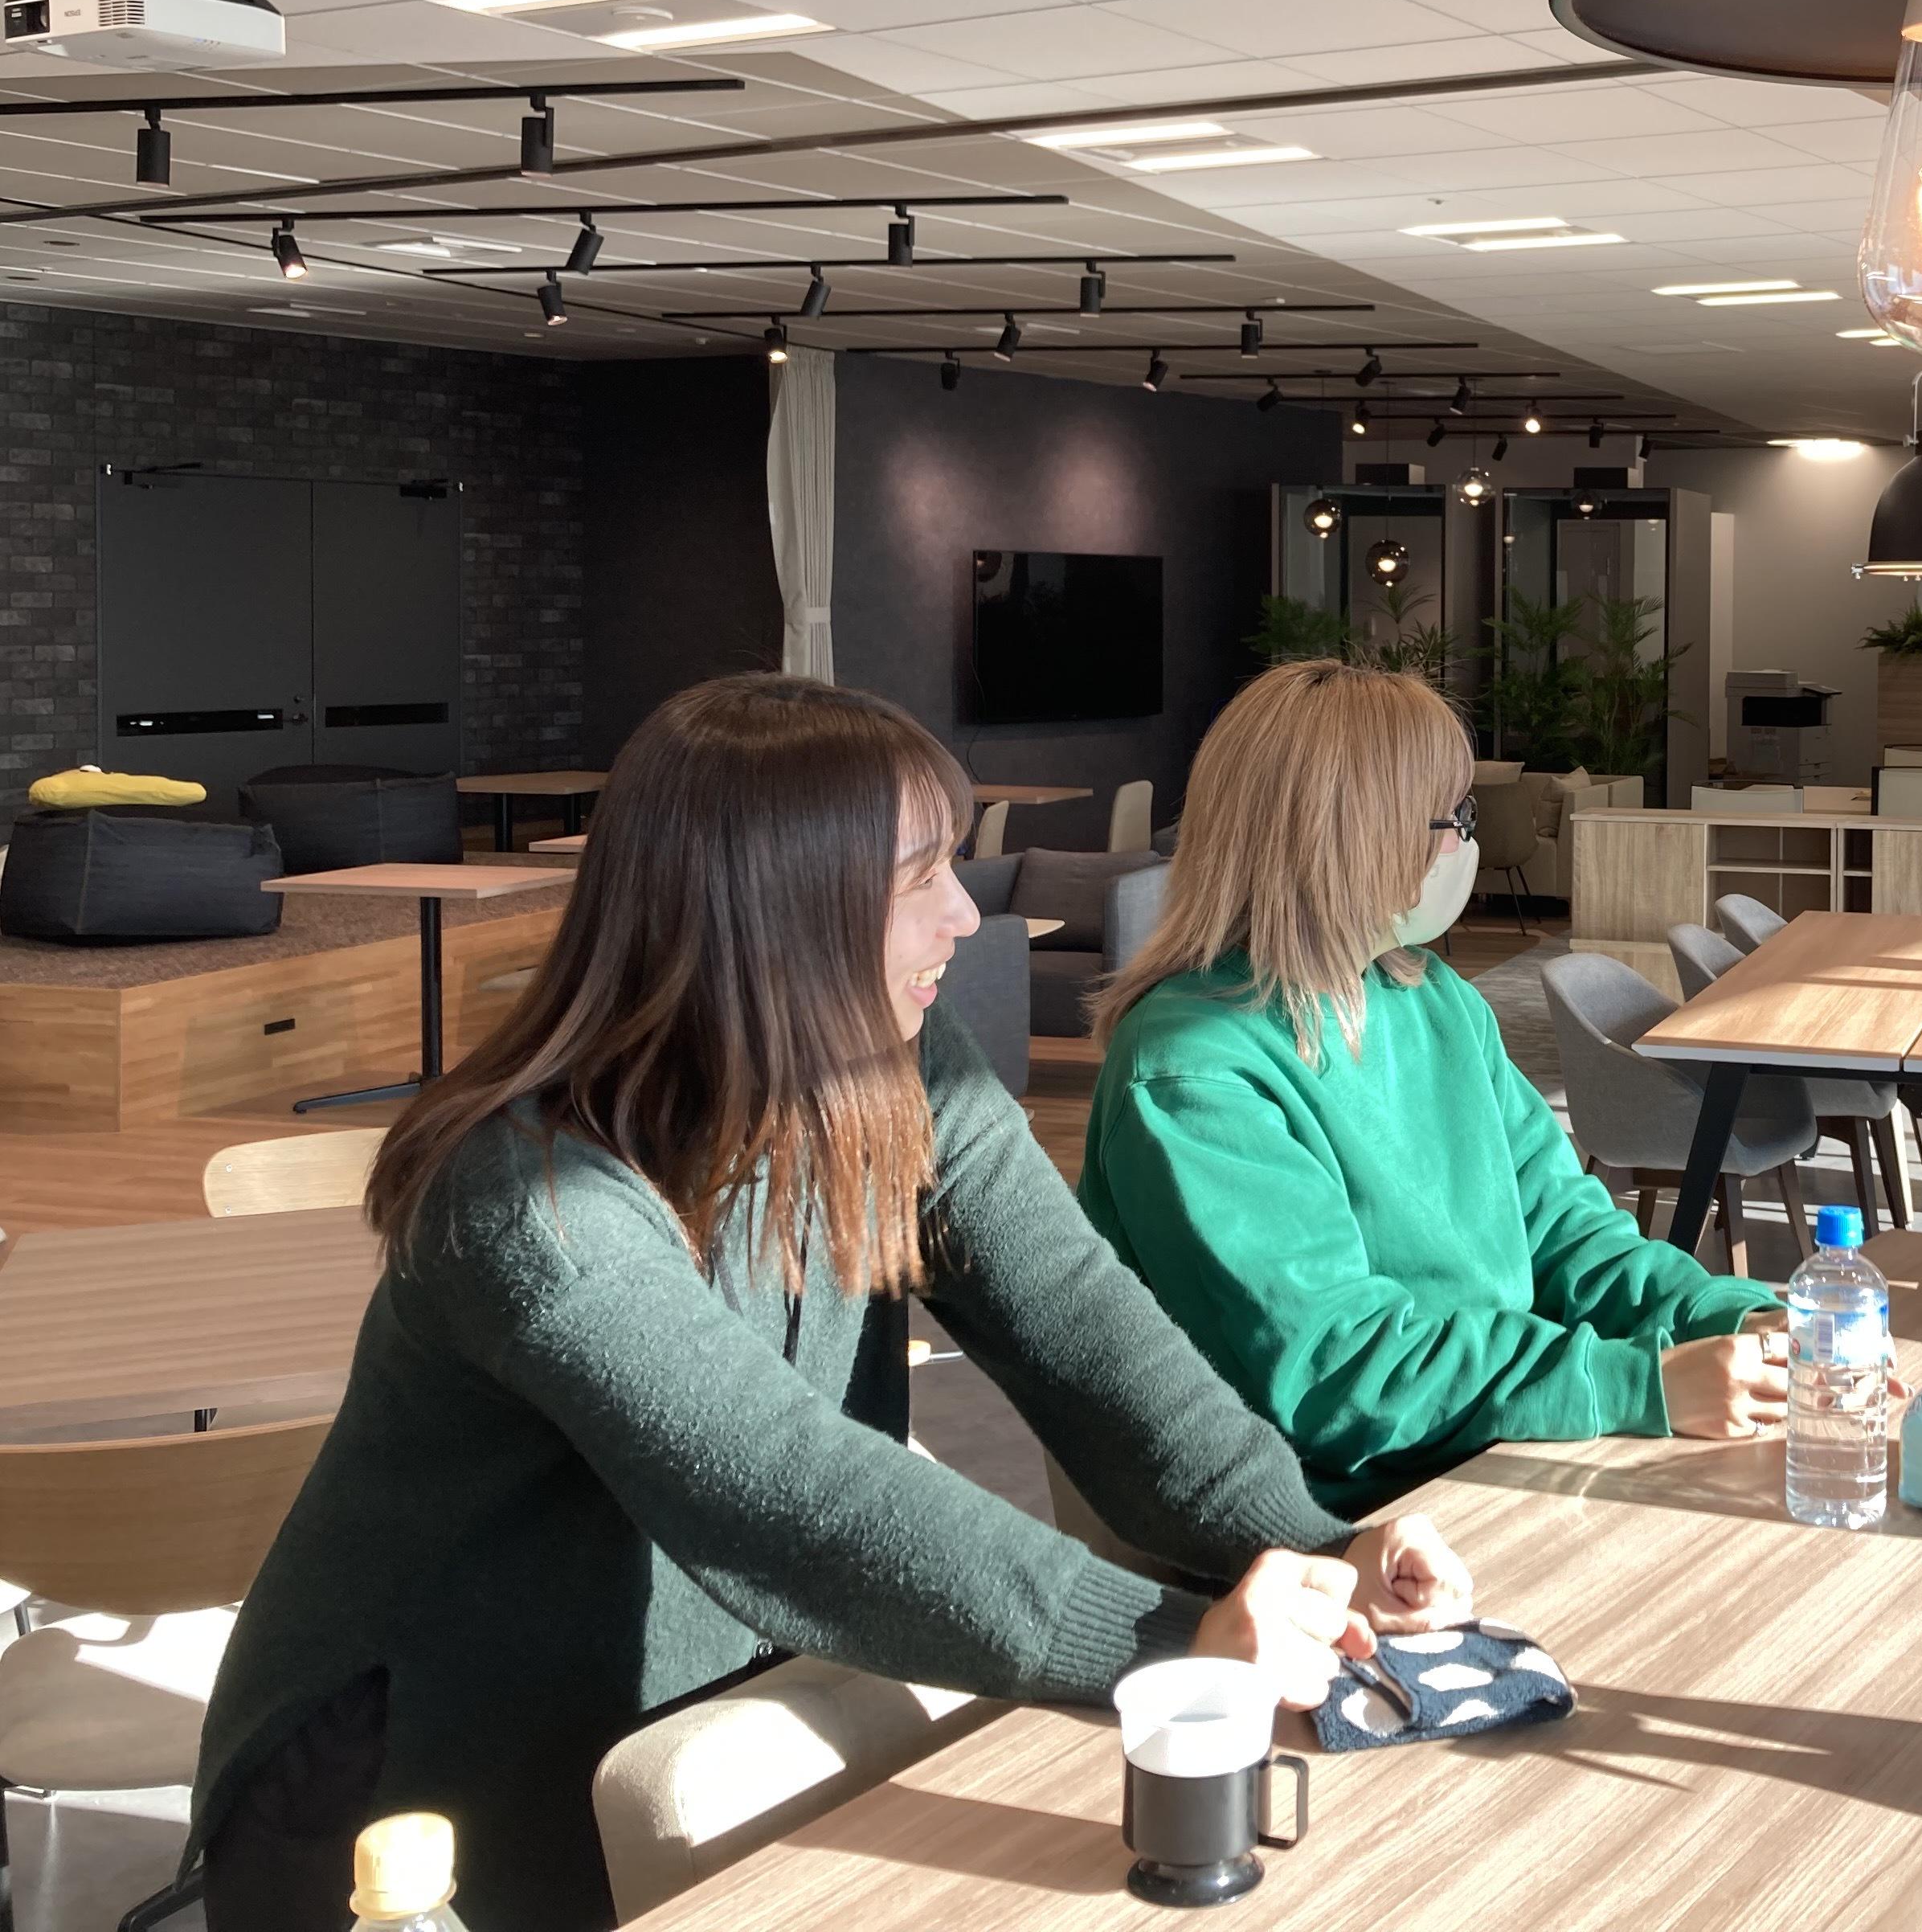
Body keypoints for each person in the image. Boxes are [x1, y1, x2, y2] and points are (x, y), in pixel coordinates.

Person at [191, 677, 1470, 1932]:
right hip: (406, 1802)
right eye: (920, 878)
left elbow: (1092, 1340)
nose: (965, 914)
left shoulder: (897, 1069)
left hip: (694, 1721)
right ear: (773, 907)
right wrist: (1180, 1647)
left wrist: (1320, 1549)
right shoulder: (531, 1200)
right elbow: (793, 1495)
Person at [1079, 661, 1786, 1517]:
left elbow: (1563, 1231)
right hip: (1344, 1524)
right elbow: (1341, 1375)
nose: (1465, 846)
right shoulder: (1192, 1072)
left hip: (1496, 1453)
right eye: (1454, 820)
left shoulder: (1431, 999)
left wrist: (1738, 1321)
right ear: (1353, 837)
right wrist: (1636, 1383)